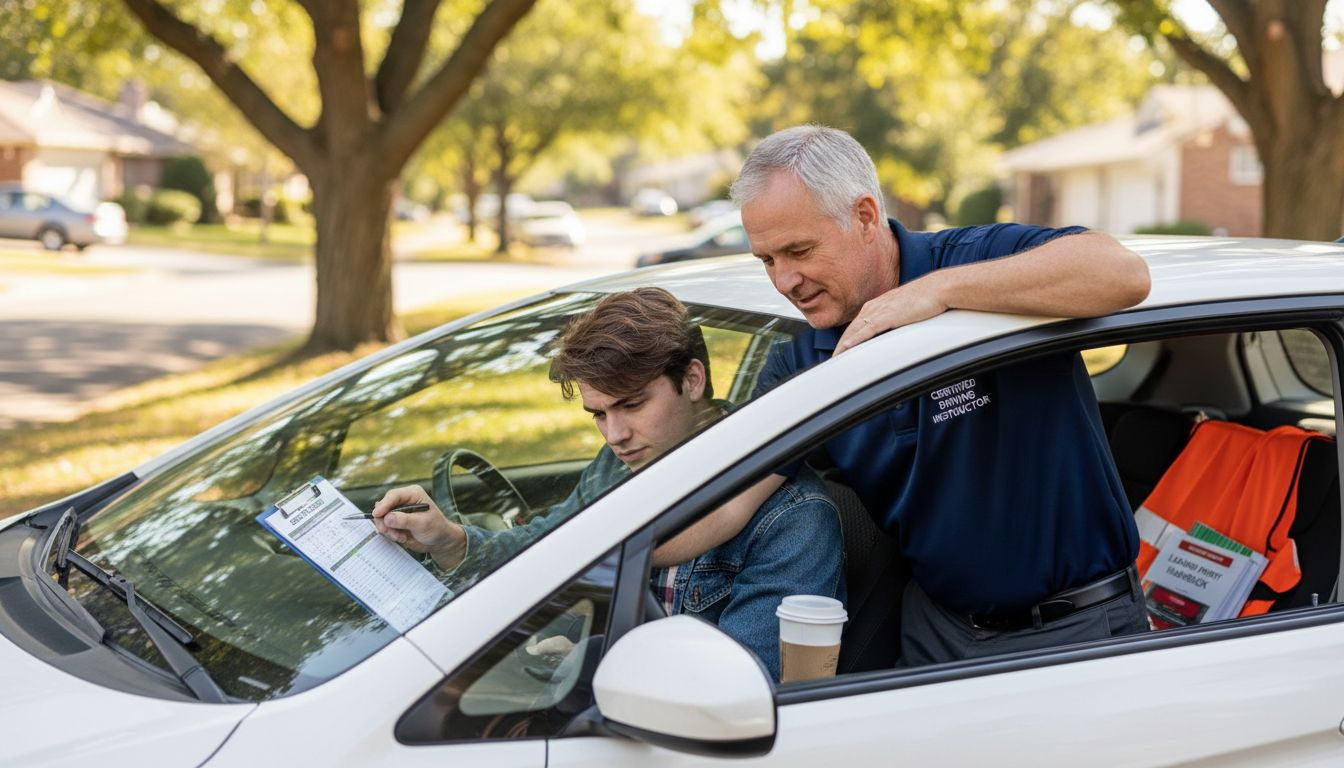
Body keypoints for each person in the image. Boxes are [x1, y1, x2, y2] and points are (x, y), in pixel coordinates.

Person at [724, 124, 1152, 666]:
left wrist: (934, 294)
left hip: (1076, 631)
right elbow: (729, 494)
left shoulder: (973, 261)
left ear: (864, 217)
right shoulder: (802, 355)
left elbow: (1123, 274)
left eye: (799, 250)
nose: (784, 281)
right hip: (933, 633)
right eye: (767, 260)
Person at [373, 287, 845, 680]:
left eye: (633, 405)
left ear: (693, 379)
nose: (614, 436)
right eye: (598, 414)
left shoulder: (793, 519)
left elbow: (739, 689)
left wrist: (594, 658)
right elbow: (553, 545)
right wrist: (452, 542)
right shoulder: (620, 463)